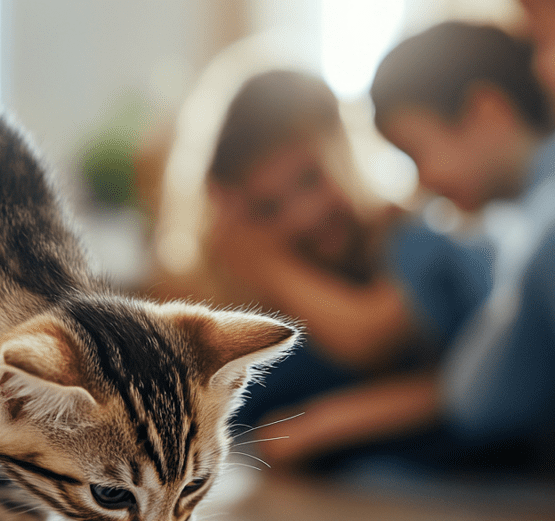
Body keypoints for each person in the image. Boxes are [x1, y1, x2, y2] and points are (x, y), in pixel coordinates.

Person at [184, 70, 492, 465]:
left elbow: (374, 340)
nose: (304, 216)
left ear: (346, 148)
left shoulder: (415, 236)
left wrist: (265, 263)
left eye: (311, 178)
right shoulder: (276, 299)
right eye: (268, 207)